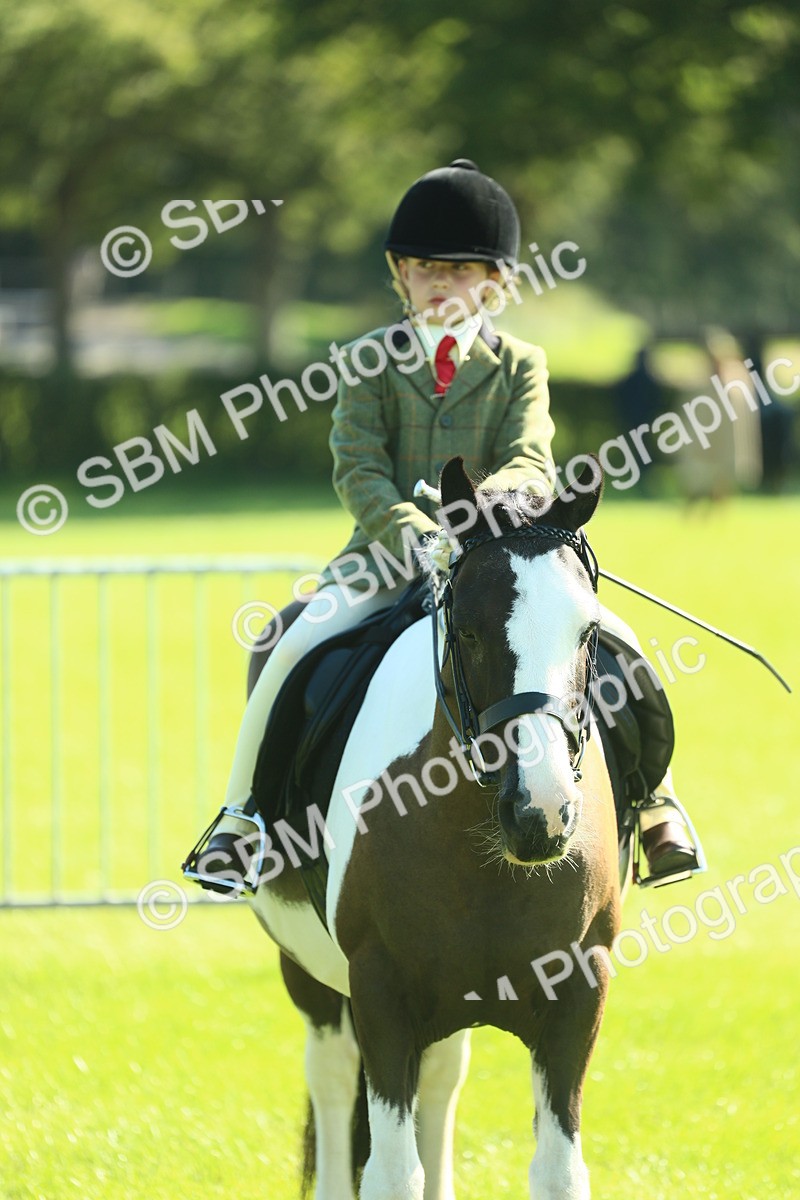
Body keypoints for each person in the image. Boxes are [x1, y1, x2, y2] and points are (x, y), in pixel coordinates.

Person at [183, 159, 700, 893]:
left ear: (496, 284)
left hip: (499, 557)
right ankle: (242, 819)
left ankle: (657, 804)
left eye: (461, 270)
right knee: (288, 641)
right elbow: (357, 468)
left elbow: (529, 456)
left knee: (617, 640)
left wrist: (485, 518)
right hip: (385, 559)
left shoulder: (522, 364)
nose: (442, 283)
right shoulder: (367, 363)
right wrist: (412, 531)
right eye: (426, 268)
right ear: (399, 273)